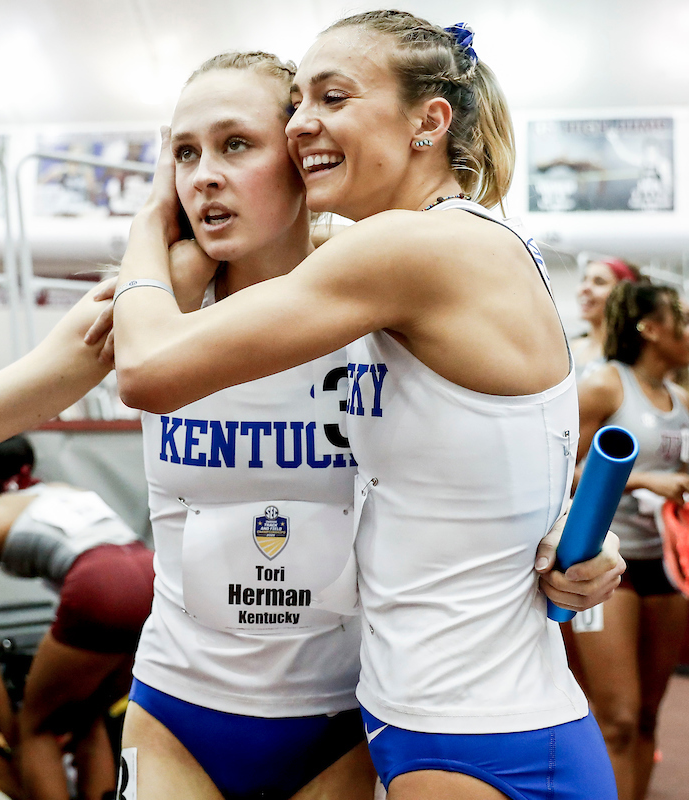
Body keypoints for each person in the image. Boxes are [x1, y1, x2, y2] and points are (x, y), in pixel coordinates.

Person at [108, 11, 624, 799]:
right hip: (404, 719)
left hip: (470, 731)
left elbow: (145, 369)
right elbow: (487, 455)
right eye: (297, 106)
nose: (303, 125)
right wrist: (564, 534)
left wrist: (149, 225)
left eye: (333, 97)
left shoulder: (406, 251)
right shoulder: (395, 271)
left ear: (430, 121)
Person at [119, 51, 375, 800]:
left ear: (301, 158)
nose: (203, 176)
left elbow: (487, 459)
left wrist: (569, 531)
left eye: (236, 145)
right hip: (176, 708)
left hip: (345, 713)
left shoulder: (385, 319)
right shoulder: (146, 316)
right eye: (185, 153)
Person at [0, 436, 153, 800]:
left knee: (39, 726)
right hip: (152, 575)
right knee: (86, 716)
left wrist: (16, 734)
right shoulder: (63, 490)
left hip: (102, 584)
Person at [573, 281, 689, 800]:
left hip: (665, 566)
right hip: (604, 564)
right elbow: (563, 471)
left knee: (645, 717)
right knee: (616, 718)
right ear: (651, 328)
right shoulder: (604, 386)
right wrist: (644, 479)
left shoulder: (683, 401)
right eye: (681, 318)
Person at [571, 255, 643, 379]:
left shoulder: (633, 357)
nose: (585, 288)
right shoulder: (573, 348)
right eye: (584, 280)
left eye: (599, 282)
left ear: (622, 295)